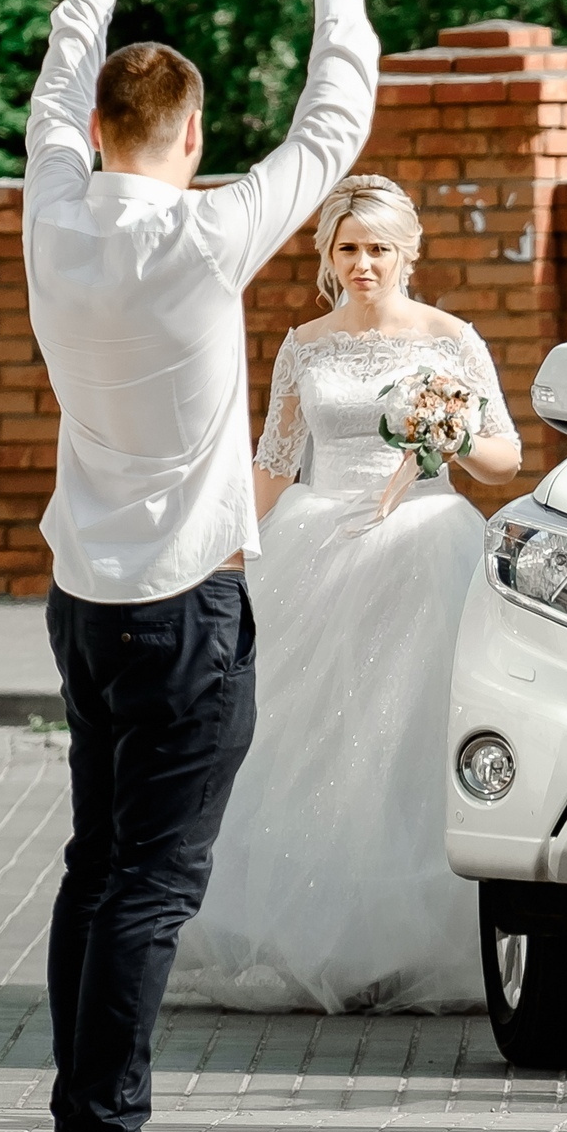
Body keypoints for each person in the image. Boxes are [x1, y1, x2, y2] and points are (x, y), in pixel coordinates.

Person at [26, 0, 377, 1132]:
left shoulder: (53, 215)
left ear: (111, 130)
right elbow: (331, 132)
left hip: (85, 596)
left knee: (95, 867)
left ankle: (77, 1126)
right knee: (151, 886)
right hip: (184, 606)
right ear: (184, 136)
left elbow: (59, 87)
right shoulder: (200, 238)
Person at [169, 175, 522, 1013]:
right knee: (308, 743)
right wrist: (218, 551)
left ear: (408, 252)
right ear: (328, 255)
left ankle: (412, 945)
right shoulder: (306, 344)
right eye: (347, 248)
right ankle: (312, 937)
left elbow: (505, 458)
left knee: (404, 747)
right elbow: (275, 461)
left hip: (424, 548)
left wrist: (455, 432)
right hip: (315, 547)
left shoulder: (450, 338)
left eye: (378, 248)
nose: (363, 264)